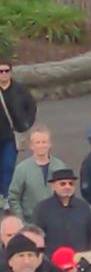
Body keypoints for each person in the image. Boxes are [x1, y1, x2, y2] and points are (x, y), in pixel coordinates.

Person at [8, 124, 66, 222]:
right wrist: (21, 221)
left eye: (44, 142)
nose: (41, 145)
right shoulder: (22, 169)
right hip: (31, 221)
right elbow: (13, 197)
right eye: (37, 142)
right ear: (31, 146)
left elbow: (66, 193)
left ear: (50, 144)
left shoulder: (60, 167)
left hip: (57, 220)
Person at [33, 168, 91, 256]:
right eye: (63, 184)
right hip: (51, 263)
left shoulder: (84, 208)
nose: (67, 187)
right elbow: (37, 237)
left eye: (71, 184)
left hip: (79, 262)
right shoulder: (42, 209)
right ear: (53, 186)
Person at [0, 59, 37, 210]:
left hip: (11, 136)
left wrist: (26, 124)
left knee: (8, 166)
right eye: (0, 71)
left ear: (11, 72)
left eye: (6, 71)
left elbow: (31, 107)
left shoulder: (19, 90)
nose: (3, 74)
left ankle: (6, 196)